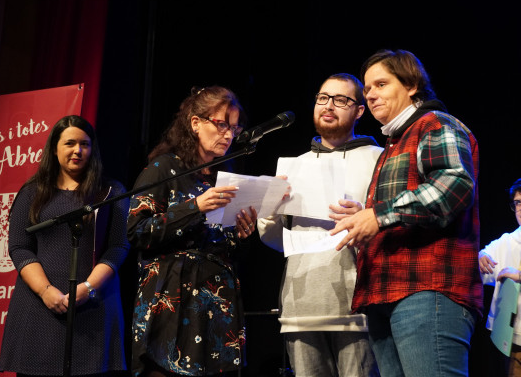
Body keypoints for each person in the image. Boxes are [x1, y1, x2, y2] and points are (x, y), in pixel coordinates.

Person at [330, 49, 483, 377]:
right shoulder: (393, 144)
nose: (371, 94)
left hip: (429, 291)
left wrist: (380, 215)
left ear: (411, 84)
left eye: (381, 84)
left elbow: (454, 186)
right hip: (385, 294)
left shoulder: (435, 124)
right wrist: (365, 216)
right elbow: (405, 209)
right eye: (368, 89)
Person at [127, 86, 258, 377]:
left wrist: (242, 234)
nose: (229, 135)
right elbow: (137, 232)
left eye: (234, 128)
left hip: (216, 304)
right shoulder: (163, 169)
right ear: (195, 122)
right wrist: (194, 208)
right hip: (171, 301)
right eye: (222, 124)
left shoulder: (225, 177)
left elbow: (227, 251)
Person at [257, 73, 382, 377]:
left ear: (359, 111)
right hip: (301, 306)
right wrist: (269, 211)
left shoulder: (379, 159)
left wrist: (365, 216)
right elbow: (275, 239)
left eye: (341, 100)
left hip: (357, 308)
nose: (329, 106)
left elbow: (393, 227)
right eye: (323, 98)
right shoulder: (295, 165)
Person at [0, 115, 130, 376]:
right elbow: (19, 247)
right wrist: (46, 291)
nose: (78, 150)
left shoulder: (111, 192)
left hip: (94, 305)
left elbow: (118, 246)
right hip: (38, 306)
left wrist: (89, 288)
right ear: (55, 147)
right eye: (70, 143)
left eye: (85, 144)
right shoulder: (32, 192)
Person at [479, 178, 521, 376]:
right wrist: (481, 257)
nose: (520, 208)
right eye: (518, 203)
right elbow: (481, 259)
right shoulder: (507, 241)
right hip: (512, 340)